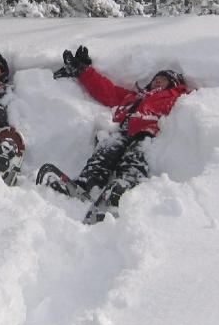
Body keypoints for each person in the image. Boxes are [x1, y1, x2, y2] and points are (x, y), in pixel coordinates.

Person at [45, 45, 192, 216]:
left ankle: (124, 187)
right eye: (156, 78)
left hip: (147, 132)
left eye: (164, 79)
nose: (158, 80)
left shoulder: (175, 97)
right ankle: (87, 183)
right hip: (123, 131)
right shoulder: (134, 97)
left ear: (173, 84)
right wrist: (84, 71)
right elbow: (108, 91)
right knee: (105, 151)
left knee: (135, 158)